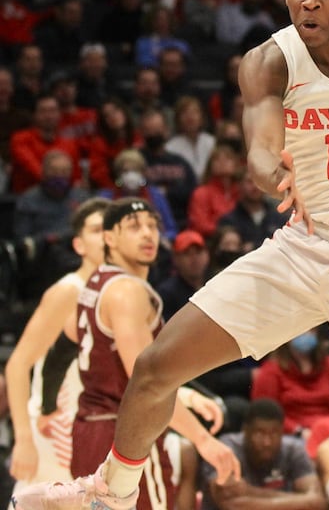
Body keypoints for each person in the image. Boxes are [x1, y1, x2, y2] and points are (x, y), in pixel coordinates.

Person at [14, 0, 329, 510]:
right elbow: (262, 146)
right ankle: (111, 494)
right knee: (155, 367)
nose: (309, 3)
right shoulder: (269, 60)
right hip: (303, 246)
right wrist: (270, 171)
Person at [13, 198, 235, 510]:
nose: (147, 234)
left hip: (87, 429)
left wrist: (49, 405)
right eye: (134, 227)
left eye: (152, 226)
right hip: (127, 434)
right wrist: (203, 439)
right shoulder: (126, 292)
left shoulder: (92, 286)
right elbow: (148, 383)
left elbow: (60, 355)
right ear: (109, 238)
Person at [6, 199, 109, 491]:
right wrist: (24, 439)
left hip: (93, 432)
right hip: (53, 433)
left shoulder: (117, 295)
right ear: (79, 245)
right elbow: (18, 364)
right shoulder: (68, 291)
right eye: (96, 229)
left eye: (109, 229)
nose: (105, 237)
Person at [199, 398, 327, 510]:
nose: (267, 442)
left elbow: (318, 502)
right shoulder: (226, 448)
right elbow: (232, 505)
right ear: (245, 430)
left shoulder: (294, 449)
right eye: (260, 433)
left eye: (274, 433)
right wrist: (302, 501)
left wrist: (249, 491)